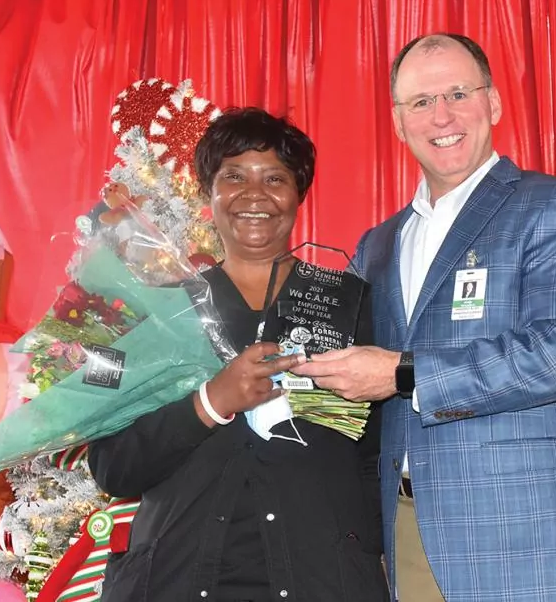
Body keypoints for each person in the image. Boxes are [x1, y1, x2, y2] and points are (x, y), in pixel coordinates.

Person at [291, 33, 556, 601]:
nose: (442, 116)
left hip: (528, 538)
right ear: (398, 122)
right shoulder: (378, 244)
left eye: (457, 93)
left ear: (492, 103)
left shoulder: (554, 205)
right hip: (407, 531)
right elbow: (349, 386)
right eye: (421, 101)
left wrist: (403, 373)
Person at [88, 107, 389, 602]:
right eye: (234, 176)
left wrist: (362, 552)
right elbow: (113, 468)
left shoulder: (351, 305)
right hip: (176, 579)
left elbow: (376, 456)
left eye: (275, 178)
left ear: (298, 195)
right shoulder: (157, 312)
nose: (255, 194)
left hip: (325, 580)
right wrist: (210, 403)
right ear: (208, 192)